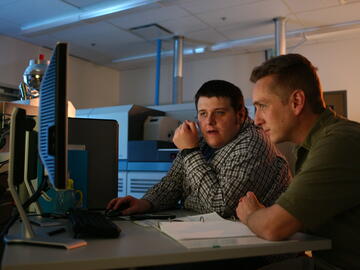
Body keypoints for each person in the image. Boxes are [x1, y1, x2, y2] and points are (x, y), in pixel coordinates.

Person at [236, 54, 360, 269]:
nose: (256, 120)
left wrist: (250, 214)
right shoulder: (308, 146)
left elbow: (273, 227)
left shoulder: (340, 141)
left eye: (263, 106)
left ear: (296, 102)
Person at [108, 80, 290, 218]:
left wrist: (189, 152)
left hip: (257, 252)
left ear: (241, 114)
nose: (209, 121)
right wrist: (144, 203)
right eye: (203, 114)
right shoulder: (202, 141)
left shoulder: (253, 142)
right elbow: (172, 184)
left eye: (219, 113)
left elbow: (220, 207)